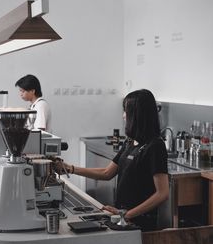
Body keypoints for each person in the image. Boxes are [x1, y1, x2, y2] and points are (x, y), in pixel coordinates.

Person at [60, 89, 169, 231]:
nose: (124, 116)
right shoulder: (130, 142)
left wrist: (127, 214)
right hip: (123, 218)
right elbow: (107, 172)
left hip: (140, 223)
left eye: (126, 111)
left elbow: (162, 193)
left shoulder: (155, 146)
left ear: (137, 114)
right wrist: (70, 169)